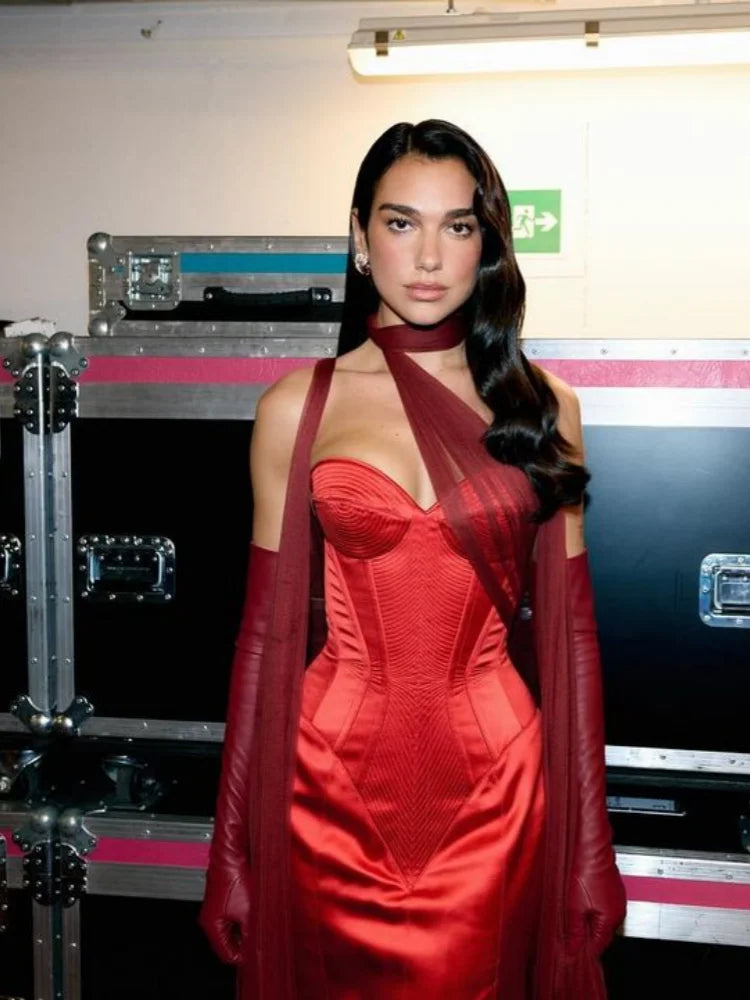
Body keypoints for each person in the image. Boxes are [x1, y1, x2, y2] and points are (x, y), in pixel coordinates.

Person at [199, 119, 627, 999]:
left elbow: (574, 641)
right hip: (326, 792)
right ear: (360, 238)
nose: (428, 255)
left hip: (500, 791)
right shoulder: (296, 409)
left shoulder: (545, 411)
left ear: (488, 245)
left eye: (458, 226)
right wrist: (231, 852)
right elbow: (262, 645)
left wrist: (592, 849)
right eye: (401, 223)